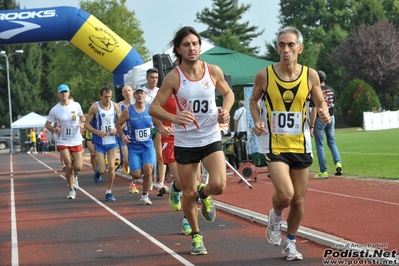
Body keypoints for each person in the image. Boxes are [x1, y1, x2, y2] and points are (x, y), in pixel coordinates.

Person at [149, 26, 234, 255]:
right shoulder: (174, 77)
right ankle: (196, 236)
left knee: (219, 185)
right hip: (185, 141)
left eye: (195, 43)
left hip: (210, 137)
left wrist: (225, 110)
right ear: (178, 49)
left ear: (200, 46)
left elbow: (228, 93)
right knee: (188, 193)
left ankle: (205, 195)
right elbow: (153, 108)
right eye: (186, 44)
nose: (192, 48)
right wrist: (174, 117)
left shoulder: (212, 71)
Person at [249, 26, 330, 261]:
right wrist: (256, 120)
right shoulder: (265, 75)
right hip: (275, 145)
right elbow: (254, 100)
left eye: (291, 45)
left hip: (301, 144)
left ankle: (290, 243)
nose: (286, 50)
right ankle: (275, 217)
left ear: (300, 49)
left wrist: (323, 112)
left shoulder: (310, 75)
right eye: (282, 45)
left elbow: (320, 102)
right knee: (285, 195)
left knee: (299, 200)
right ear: (277, 48)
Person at [116, 86, 156, 205]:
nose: (139, 95)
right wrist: (123, 136)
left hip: (147, 146)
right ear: (134, 95)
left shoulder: (150, 109)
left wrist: (163, 128)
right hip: (133, 147)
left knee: (148, 169)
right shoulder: (128, 110)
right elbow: (118, 124)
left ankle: (145, 195)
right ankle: (146, 179)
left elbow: (158, 122)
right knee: (136, 174)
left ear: (145, 95)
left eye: (142, 93)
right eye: (137, 93)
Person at [45, 84, 85, 199]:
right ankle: (71, 189)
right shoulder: (55, 109)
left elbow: (82, 117)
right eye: (61, 92)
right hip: (63, 140)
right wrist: (54, 129)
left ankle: (75, 176)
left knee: (78, 167)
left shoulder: (76, 105)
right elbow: (47, 124)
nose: (64, 94)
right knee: (68, 166)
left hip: (76, 139)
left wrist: (82, 123)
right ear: (58, 94)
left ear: (69, 93)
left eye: (65, 92)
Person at [85, 86, 121, 202]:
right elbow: (86, 124)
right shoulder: (95, 107)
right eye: (105, 97)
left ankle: (109, 192)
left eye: (110, 97)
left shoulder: (115, 106)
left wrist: (116, 128)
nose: (108, 99)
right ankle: (98, 171)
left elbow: (122, 123)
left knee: (111, 167)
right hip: (100, 142)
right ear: (101, 96)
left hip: (112, 141)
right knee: (102, 170)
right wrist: (96, 131)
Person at [310, 70, 342, 178]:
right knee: (332, 142)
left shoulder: (315, 91)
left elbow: (314, 110)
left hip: (320, 119)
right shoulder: (331, 90)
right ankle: (338, 163)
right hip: (331, 117)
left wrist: (311, 125)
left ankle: (323, 171)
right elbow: (333, 103)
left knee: (319, 145)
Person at [143, 68, 168, 196]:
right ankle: (149, 179)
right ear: (147, 78)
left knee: (160, 155)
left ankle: (161, 183)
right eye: (152, 77)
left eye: (156, 78)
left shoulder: (161, 91)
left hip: (158, 126)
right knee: (149, 158)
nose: (154, 80)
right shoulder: (141, 92)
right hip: (145, 128)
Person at [118, 85, 138, 193]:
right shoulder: (119, 106)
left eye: (129, 90)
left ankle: (133, 183)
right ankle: (125, 163)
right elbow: (117, 123)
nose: (127, 93)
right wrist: (122, 126)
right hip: (125, 136)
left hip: (136, 137)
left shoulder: (137, 105)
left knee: (138, 163)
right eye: (125, 91)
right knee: (126, 159)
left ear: (133, 92)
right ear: (122, 94)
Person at [233, 100, 248, 166]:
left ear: (239, 105)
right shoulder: (247, 111)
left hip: (240, 129)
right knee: (246, 143)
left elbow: (235, 121)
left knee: (240, 145)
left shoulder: (237, 111)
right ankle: (247, 157)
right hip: (247, 129)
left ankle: (241, 157)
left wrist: (235, 128)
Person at [84, 102, 97, 171]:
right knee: (93, 153)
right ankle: (95, 169)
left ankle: (99, 166)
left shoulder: (99, 114)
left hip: (98, 135)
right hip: (89, 136)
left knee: (99, 154)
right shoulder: (86, 116)